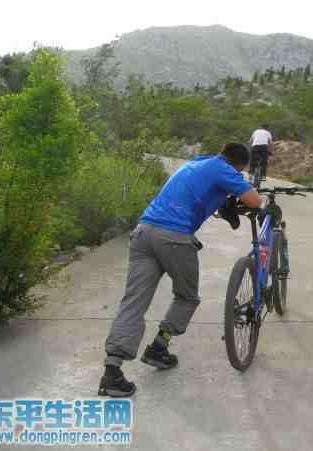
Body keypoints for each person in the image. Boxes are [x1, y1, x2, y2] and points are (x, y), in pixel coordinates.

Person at [99, 143, 263, 397]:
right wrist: (243, 189)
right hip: (174, 237)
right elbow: (254, 200)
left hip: (143, 232)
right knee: (187, 297)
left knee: (133, 302)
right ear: (238, 165)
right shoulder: (223, 169)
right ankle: (158, 348)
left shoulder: (196, 162)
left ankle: (112, 372)